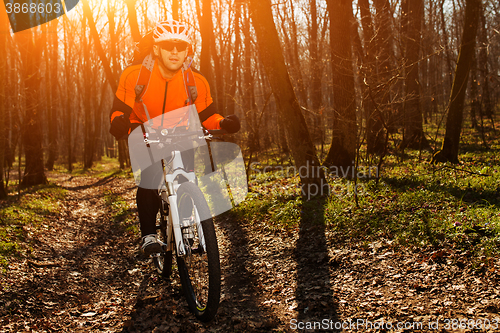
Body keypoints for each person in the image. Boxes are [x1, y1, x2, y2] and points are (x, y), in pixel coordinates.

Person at [109, 20, 240, 254]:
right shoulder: (135, 75)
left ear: (188, 50)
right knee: (151, 175)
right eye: (168, 45)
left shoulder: (195, 80)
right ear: (156, 48)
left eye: (181, 46)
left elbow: (207, 114)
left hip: (181, 130)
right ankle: (148, 236)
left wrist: (222, 123)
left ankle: (187, 228)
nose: (175, 51)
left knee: (187, 178)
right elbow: (119, 109)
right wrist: (118, 122)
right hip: (144, 128)